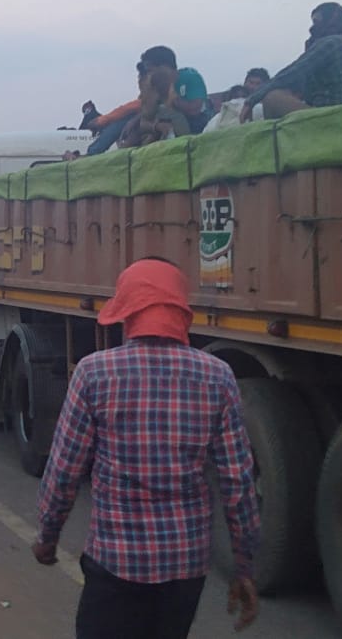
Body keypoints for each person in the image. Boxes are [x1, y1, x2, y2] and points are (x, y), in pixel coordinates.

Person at [34, 258, 260, 639]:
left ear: (128, 312)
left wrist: (48, 535)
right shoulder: (217, 376)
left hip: (115, 562)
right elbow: (238, 485)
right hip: (184, 567)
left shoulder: (94, 373)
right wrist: (244, 568)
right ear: (181, 311)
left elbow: (64, 469)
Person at [241, 2, 342, 121]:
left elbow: (293, 72)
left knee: (272, 98)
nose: (312, 28)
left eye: (317, 22)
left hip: (337, 116)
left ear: (330, 21)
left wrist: (252, 100)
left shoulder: (332, 42)